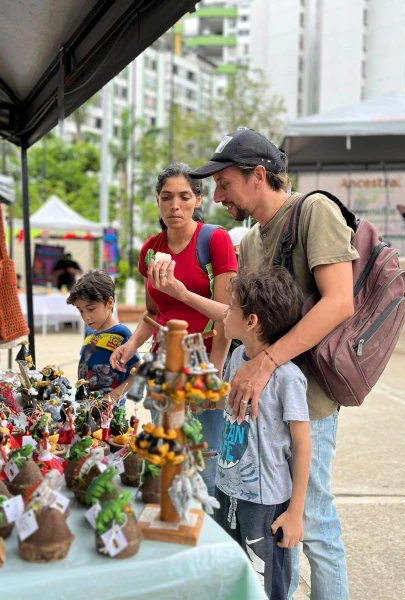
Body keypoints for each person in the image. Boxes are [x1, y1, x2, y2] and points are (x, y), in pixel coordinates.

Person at [147, 129, 354, 600]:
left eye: (223, 184)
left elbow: (340, 302)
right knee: (279, 530)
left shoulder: (313, 212)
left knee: (314, 523)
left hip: (309, 400)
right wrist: (184, 295)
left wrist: (266, 364)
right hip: (263, 409)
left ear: (258, 175)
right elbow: (245, 319)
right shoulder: (255, 238)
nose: (215, 197)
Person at [110, 163, 238, 495]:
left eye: (184, 197)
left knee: (203, 463)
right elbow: (153, 313)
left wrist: (216, 372)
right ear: (157, 200)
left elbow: (228, 315)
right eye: (166, 197)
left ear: (199, 199)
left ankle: (200, 536)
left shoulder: (215, 240)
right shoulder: (151, 250)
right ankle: (170, 524)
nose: (174, 206)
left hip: (206, 362)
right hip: (164, 366)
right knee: (167, 453)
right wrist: (132, 344)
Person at [213, 267, 311, 599]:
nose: (225, 313)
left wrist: (295, 512)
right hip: (225, 491)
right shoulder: (238, 355)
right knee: (230, 578)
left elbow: (302, 444)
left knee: (265, 587)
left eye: (231, 307)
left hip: (264, 504)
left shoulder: (288, 378)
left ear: (252, 321)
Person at [67, 269, 140, 399]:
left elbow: (138, 370)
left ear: (110, 302)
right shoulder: (89, 330)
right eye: (81, 311)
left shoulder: (121, 334)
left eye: (90, 309)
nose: (86, 317)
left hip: (110, 410)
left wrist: (115, 394)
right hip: (87, 402)